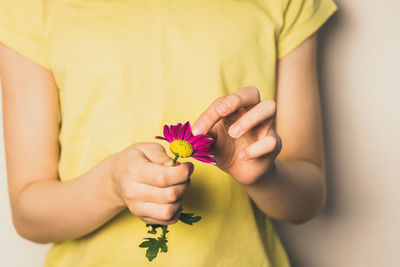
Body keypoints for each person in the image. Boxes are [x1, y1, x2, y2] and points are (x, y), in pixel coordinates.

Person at [0, 0, 338, 266]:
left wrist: (261, 175)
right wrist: (111, 185)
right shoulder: (30, 6)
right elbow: (29, 214)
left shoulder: (287, 2)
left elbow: (307, 200)